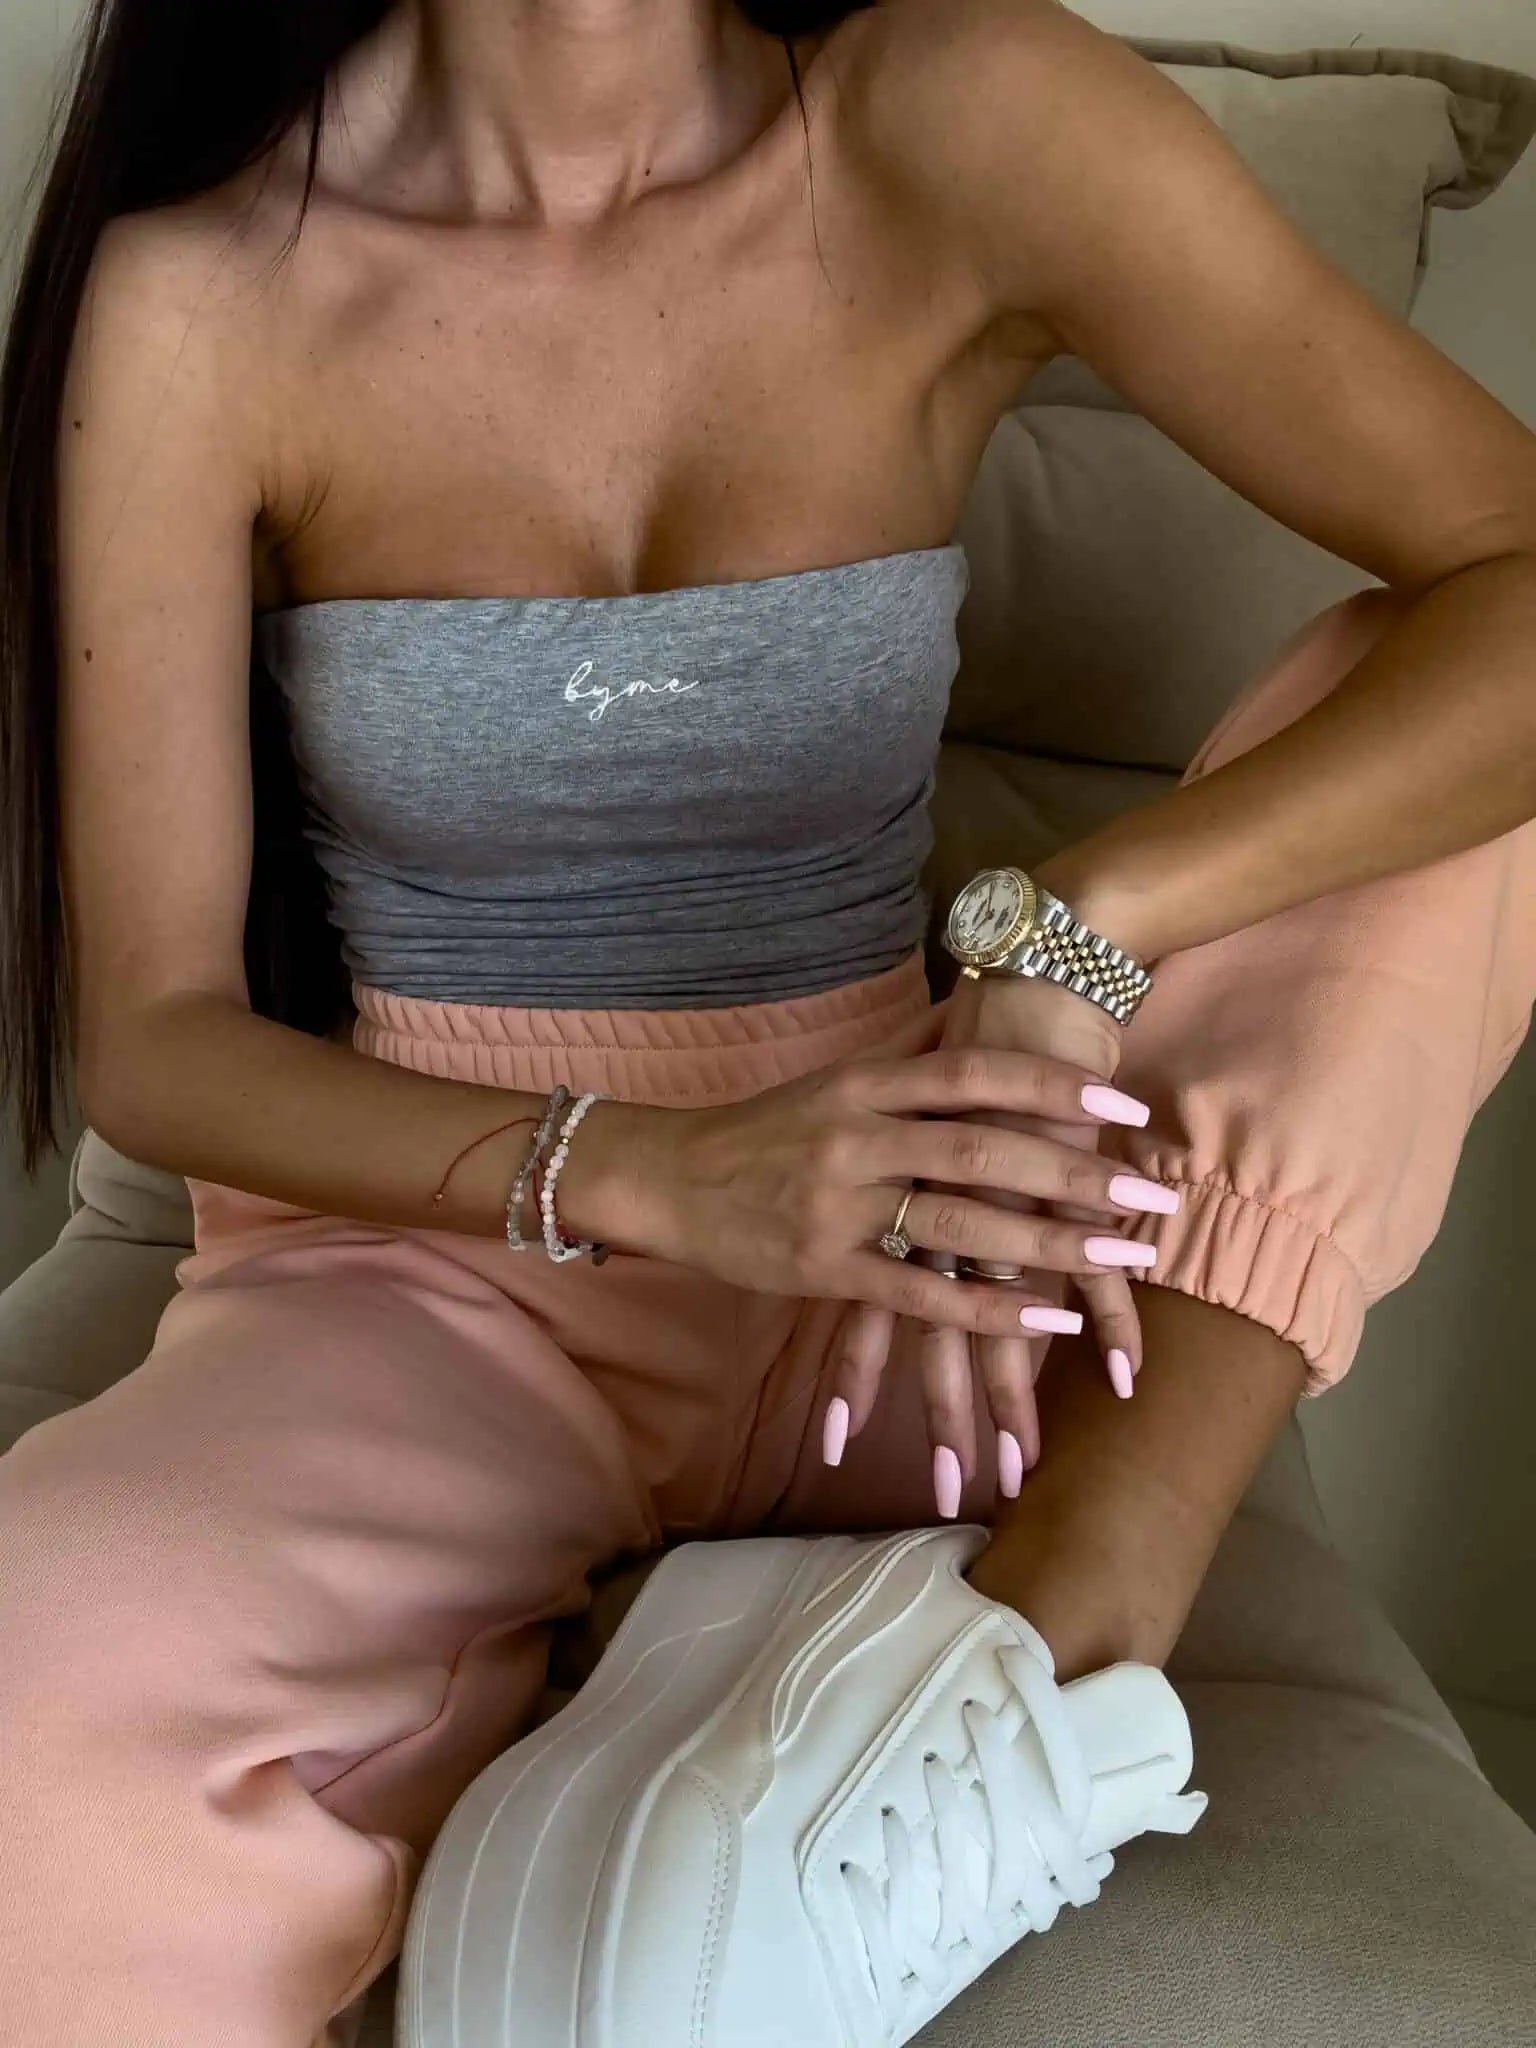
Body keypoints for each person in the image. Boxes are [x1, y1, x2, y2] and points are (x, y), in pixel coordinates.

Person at [1, 0, 1534, 2042]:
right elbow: (160, 1037)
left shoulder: (961, 117)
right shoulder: (202, 292)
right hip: (442, 1277)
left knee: (1451, 725)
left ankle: (1063, 1621)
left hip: (947, 1251)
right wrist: (662, 1174)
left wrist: (1073, 934)